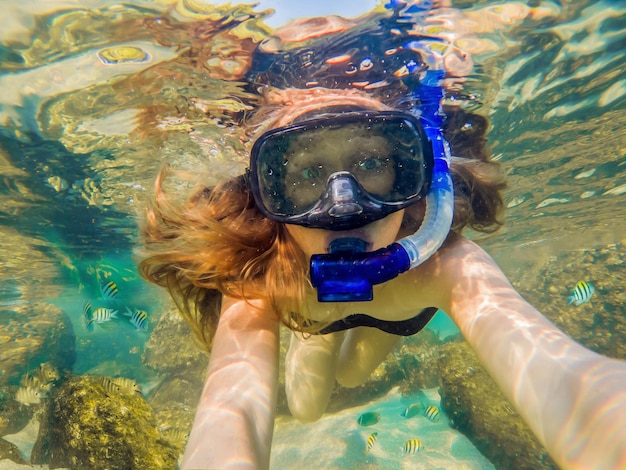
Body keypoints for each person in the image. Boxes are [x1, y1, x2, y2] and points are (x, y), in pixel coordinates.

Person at [139, 2, 626, 469]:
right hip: (315, 317)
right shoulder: (260, 280)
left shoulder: (449, 266)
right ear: (268, 194)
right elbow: (230, 415)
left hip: (392, 317)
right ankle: (317, 337)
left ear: (413, 173)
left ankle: (330, 330)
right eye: (308, 174)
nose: (344, 205)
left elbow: (568, 380)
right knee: (307, 407)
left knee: (352, 375)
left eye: (372, 164)